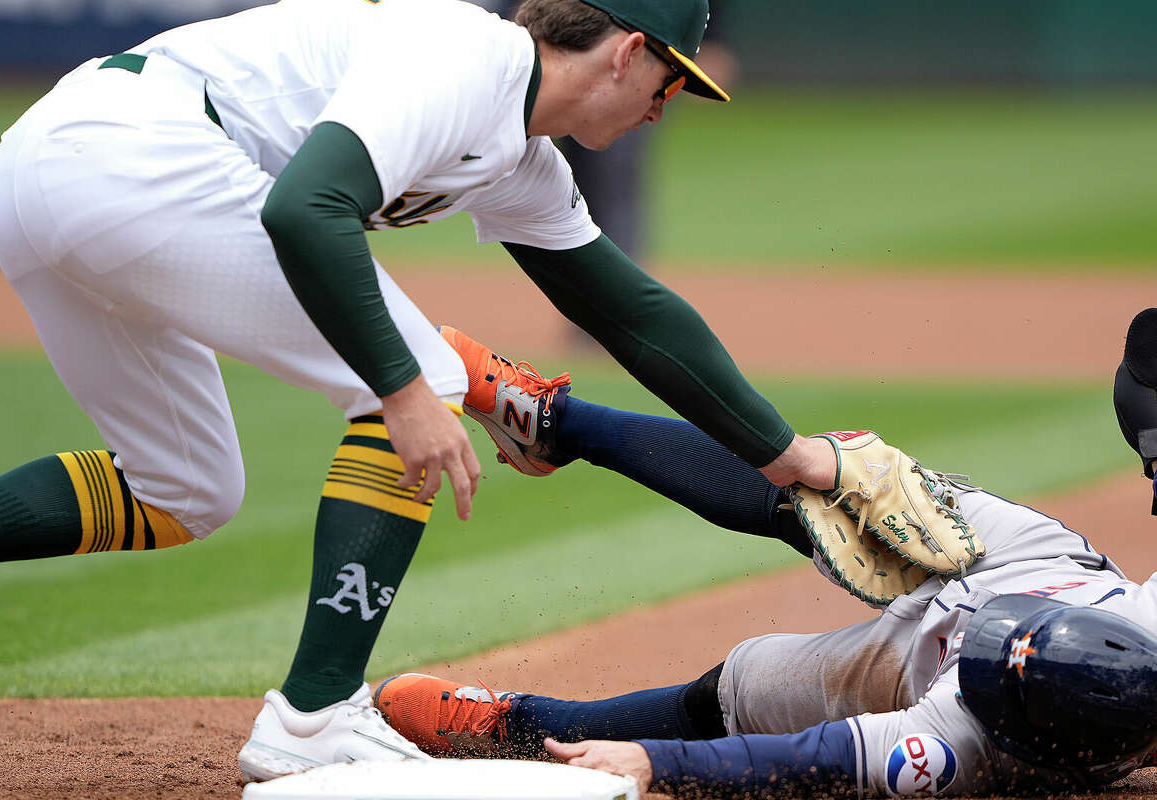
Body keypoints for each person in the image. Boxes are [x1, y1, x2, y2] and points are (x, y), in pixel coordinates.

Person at [0, 0, 847, 784]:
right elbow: (306, 205)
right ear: (625, 52)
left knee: (186, 487)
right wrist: (404, 388)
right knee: (427, 373)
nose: (665, 107)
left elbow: (633, 314)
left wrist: (788, 454)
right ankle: (313, 714)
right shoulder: (467, 57)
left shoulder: (523, 157)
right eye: (668, 81)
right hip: (131, 153)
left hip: (56, 170)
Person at [374, 326, 1157, 797]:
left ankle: (504, 726)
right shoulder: (1124, 613)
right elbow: (1142, 370)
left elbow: (808, 759)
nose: (970, 631)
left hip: (907, 670)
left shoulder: (954, 740)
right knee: (832, 490)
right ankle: (550, 420)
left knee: (729, 697)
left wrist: (655, 762)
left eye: (975, 648)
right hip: (1028, 570)